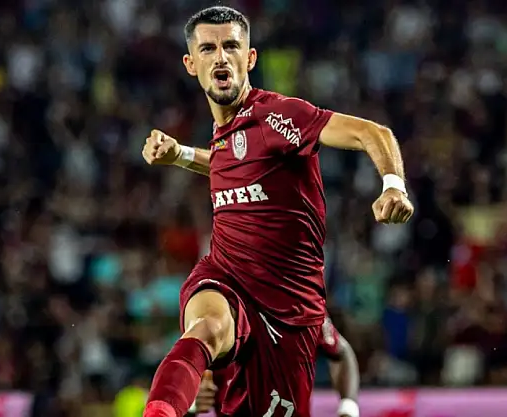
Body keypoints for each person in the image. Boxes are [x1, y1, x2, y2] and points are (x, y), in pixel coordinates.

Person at [140, 6, 413, 417]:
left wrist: (393, 185)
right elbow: (230, 163)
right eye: (208, 48)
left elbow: (372, 132)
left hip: (289, 310)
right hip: (228, 276)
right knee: (207, 327)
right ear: (191, 64)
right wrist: (179, 154)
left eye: (231, 46)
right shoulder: (223, 133)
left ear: (250, 58)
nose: (221, 56)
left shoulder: (278, 116)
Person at [188, 317, 360, 417]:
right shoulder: (218, 317)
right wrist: (190, 404)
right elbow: (182, 386)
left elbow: (342, 352)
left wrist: (348, 407)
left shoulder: (302, 307)